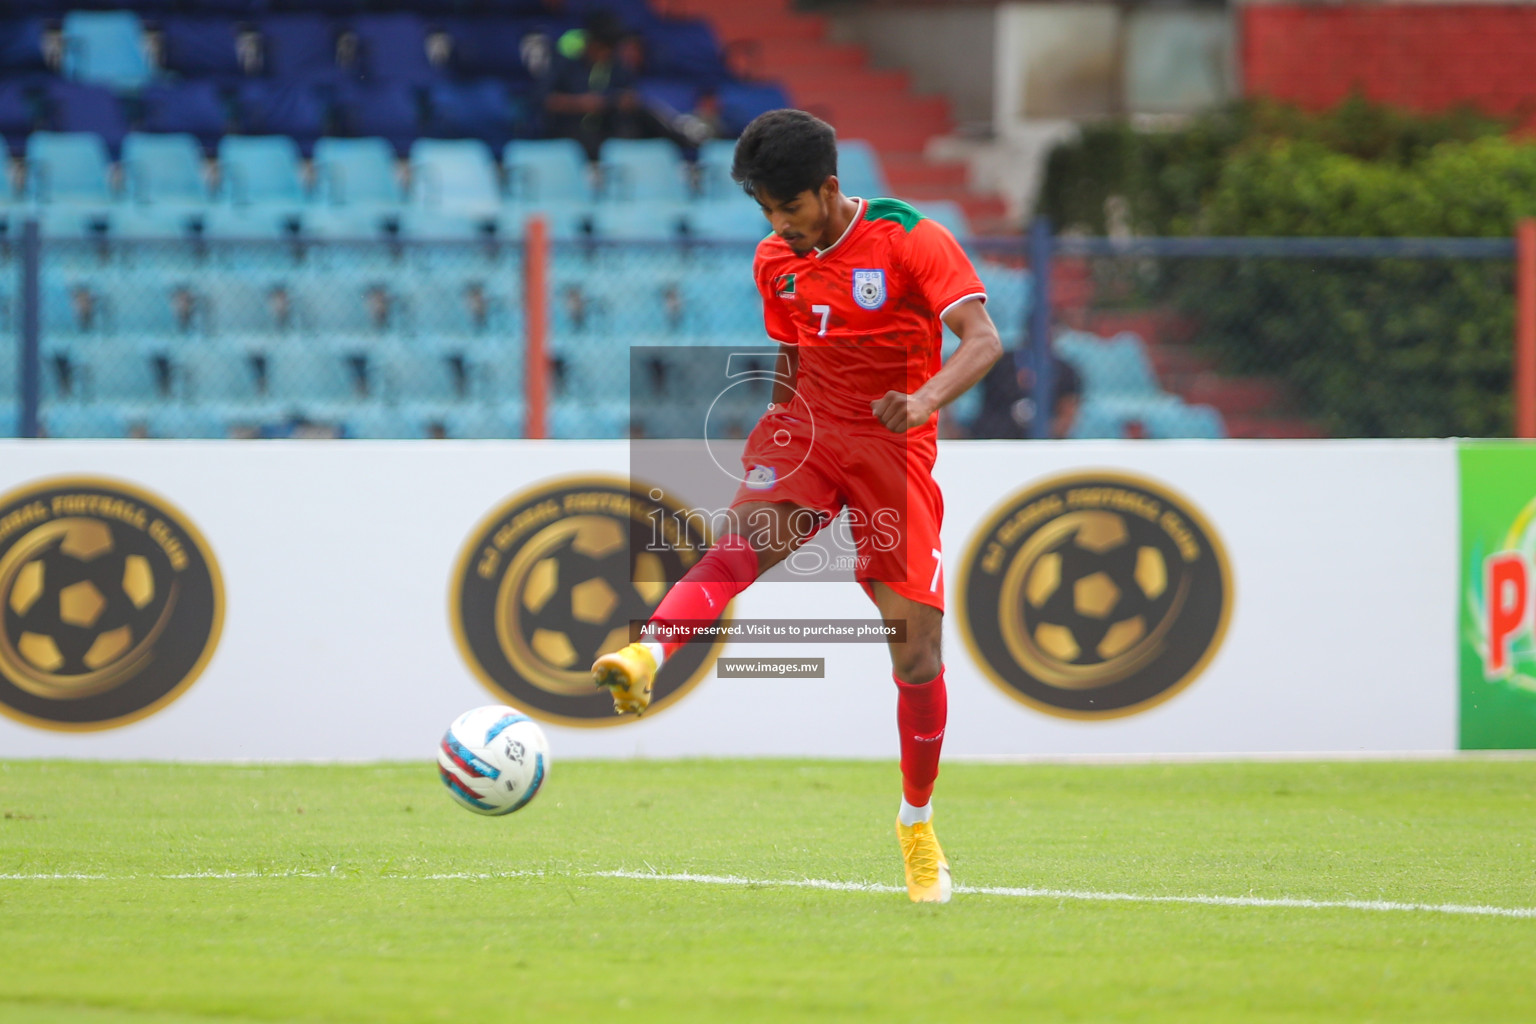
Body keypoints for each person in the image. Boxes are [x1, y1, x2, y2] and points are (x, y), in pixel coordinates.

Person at [590, 110, 1003, 904]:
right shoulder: (775, 259)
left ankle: (916, 824)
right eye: (766, 213)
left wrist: (923, 400)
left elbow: (981, 340)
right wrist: (774, 438)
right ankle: (647, 654)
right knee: (734, 549)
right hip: (810, 433)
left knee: (915, 654)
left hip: (894, 445)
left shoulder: (913, 238)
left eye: (791, 210)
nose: (780, 227)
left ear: (831, 189)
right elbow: (794, 351)